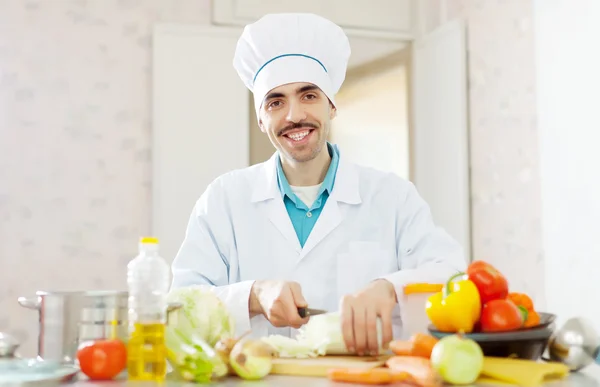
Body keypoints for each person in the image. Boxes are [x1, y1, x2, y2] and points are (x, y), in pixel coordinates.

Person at [170, 13, 466, 356]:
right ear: (261, 119)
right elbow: (178, 305)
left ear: (332, 107)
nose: (294, 115)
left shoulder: (393, 196)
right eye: (276, 101)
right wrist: (253, 296)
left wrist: (389, 288)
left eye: (308, 95)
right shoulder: (223, 199)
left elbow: (453, 276)